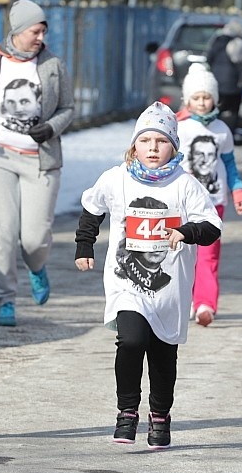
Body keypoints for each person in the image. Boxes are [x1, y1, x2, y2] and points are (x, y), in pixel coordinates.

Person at [74, 102, 221, 449]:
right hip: (126, 282)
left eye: (161, 141)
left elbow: (212, 226)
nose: (153, 148)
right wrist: (84, 246)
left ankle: (160, 414)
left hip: (170, 288)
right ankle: (127, 411)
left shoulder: (185, 185)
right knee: (132, 340)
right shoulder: (116, 178)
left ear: (174, 146)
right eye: (145, 141)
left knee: (162, 353)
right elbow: (92, 209)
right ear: (133, 146)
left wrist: (187, 231)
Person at [0, 0, 75, 327]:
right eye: (35, 31)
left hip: (40, 161)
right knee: (1, 233)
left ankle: (36, 265)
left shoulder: (53, 66)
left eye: (43, 31)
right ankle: (6, 300)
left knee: (33, 238)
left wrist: (50, 128)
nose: (40, 37)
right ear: (17, 31)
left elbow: (69, 108)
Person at [174, 64, 242, 327]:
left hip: (213, 203)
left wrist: (238, 192)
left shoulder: (222, 130)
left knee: (208, 255)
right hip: (180, 204)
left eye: (206, 97)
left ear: (215, 99)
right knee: (180, 255)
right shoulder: (178, 127)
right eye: (196, 97)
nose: (201, 102)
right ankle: (181, 302)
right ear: (187, 99)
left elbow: (230, 165)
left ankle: (205, 304)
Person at [206, 19, 242, 134]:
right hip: (233, 85)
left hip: (217, 83)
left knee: (215, 109)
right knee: (233, 111)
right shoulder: (238, 43)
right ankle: (229, 134)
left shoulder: (216, 41)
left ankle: (212, 131)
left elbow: (209, 59)